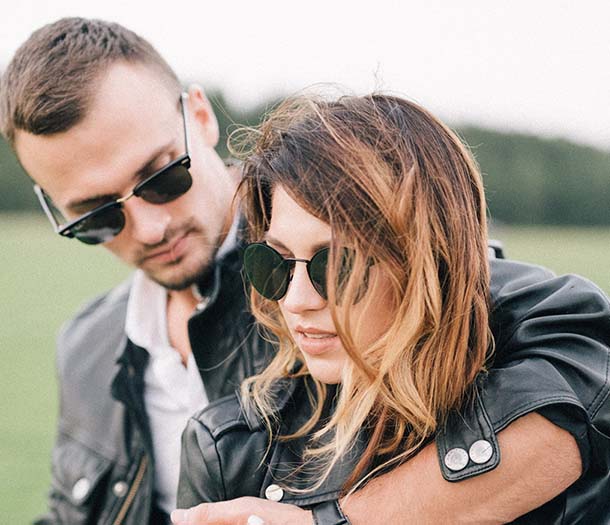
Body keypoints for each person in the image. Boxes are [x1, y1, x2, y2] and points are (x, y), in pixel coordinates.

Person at [0, 17, 603, 525]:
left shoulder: (366, 294)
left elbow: (579, 367)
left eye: (162, 177)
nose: (149, 228)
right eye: (98, 216)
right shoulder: (86, 345)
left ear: (200, 117)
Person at [175, 93, 610, 524]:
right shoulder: (228, 448)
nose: (297, 300)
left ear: (425, 263)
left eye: (339, 265)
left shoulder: (557, 367)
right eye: (274, 261)